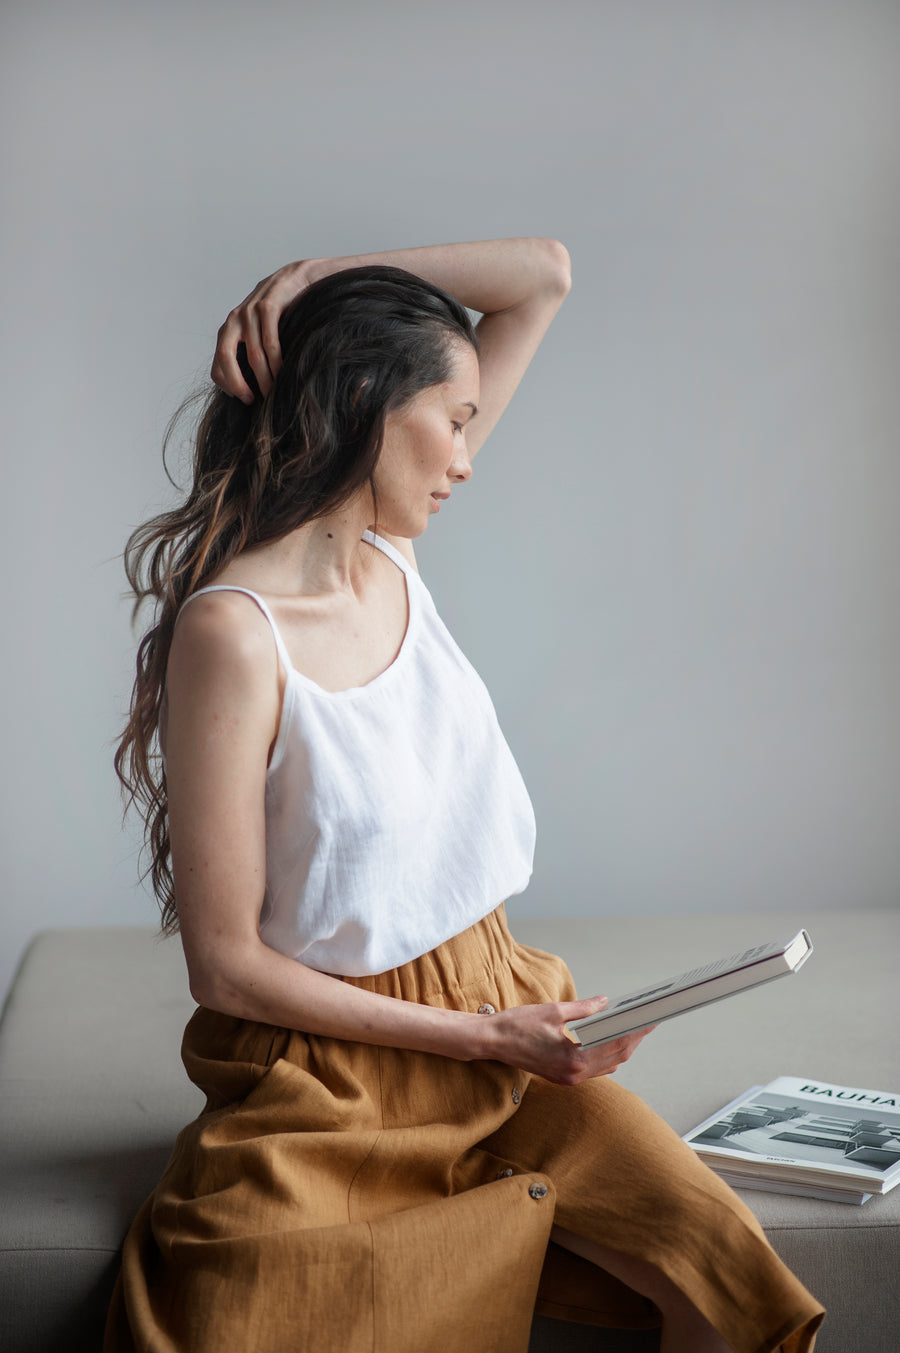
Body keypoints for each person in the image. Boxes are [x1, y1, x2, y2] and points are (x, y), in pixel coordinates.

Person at [106, 239, 824, 1353]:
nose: (468, 457)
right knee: (238, 1318)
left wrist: (309, 277)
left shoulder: (392, 551)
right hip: (334, 1080)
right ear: (362, 404)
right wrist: (483, 1038)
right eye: (455, 415)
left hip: (506, 1019)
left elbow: (542, 274)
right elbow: (227, 964)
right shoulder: (235, 634)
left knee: (722, 1284)